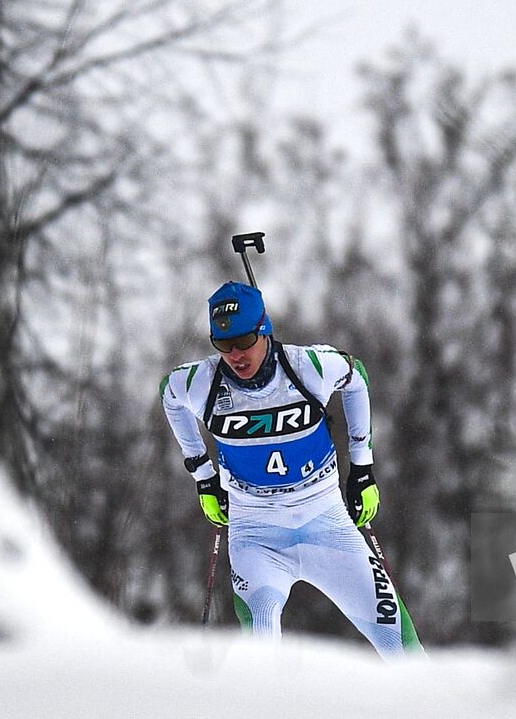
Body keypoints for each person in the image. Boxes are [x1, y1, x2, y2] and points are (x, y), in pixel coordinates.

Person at [160, 280, 423, 658]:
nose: (236, 355)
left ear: (264, 329)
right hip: (256, 532)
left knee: (401, 646)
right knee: (262, 649)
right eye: (224, 345)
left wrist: (362, 469)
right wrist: (203, 477)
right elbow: (168, 394)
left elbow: (356, 377)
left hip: (327, 522)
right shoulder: (201, 383)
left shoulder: (307, 366)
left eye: (245, 341)